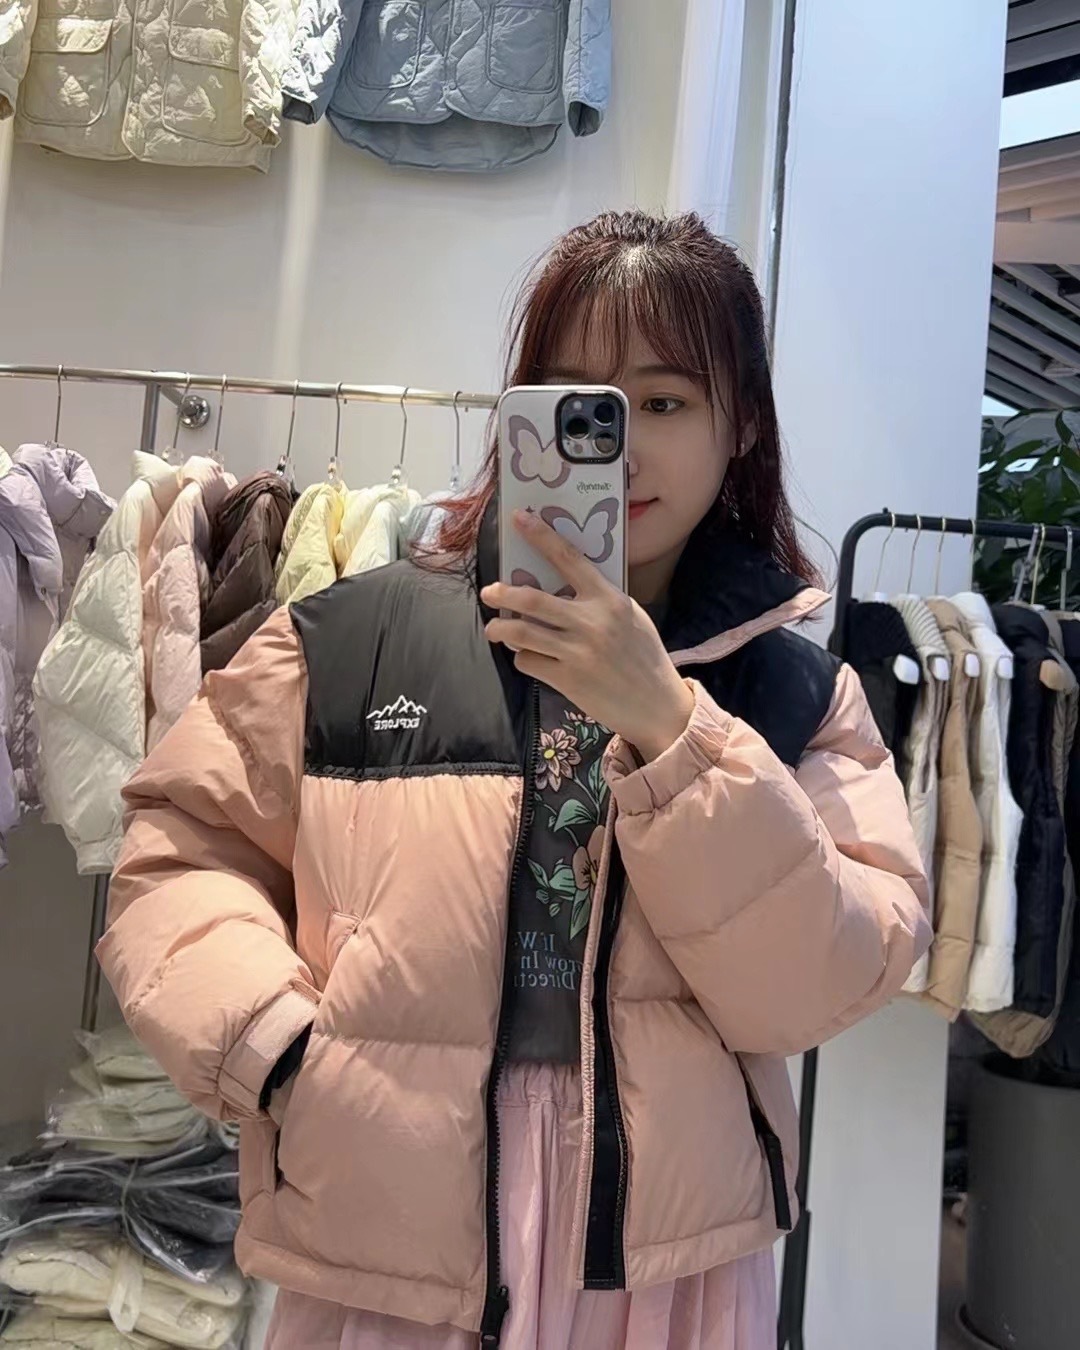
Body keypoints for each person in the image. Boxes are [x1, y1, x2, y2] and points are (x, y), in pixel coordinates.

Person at [99, 210, 930, 1350]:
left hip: (662, 1258)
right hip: (390, 1232)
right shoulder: (350, 640)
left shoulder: (796, 695)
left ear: (741, 424)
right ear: (521, 412)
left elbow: (824, 979)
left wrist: (675, 729)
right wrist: (281, 1052)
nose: (619, 446)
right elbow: (178, 848)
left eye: (665, 403)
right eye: (579, 403)